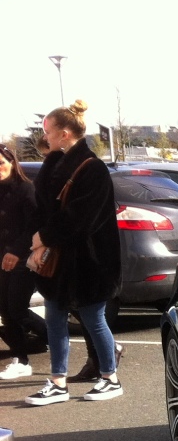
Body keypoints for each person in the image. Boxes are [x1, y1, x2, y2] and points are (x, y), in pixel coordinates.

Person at [25, 100, 122, 404]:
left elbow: (80, 218)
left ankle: (110, 377)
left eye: (50, 133)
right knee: (55, 318)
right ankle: (57, 381)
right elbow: (44, 202)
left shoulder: (92, 168)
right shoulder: (59, 162)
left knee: (94, 318)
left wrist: (43, 236)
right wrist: (51, 160)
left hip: (90, 262)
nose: (46, 139)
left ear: (65, 134)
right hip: (64, 262)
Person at [0, 144, 46, 379]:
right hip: (2, 258)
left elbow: (34, 225)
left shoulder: (25, 188)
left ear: (11, 163)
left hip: (23, 257)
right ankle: (45, 337)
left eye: (1, 163)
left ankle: (21, 360)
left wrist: (16, 251)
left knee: (15, 308)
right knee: (6, 309)